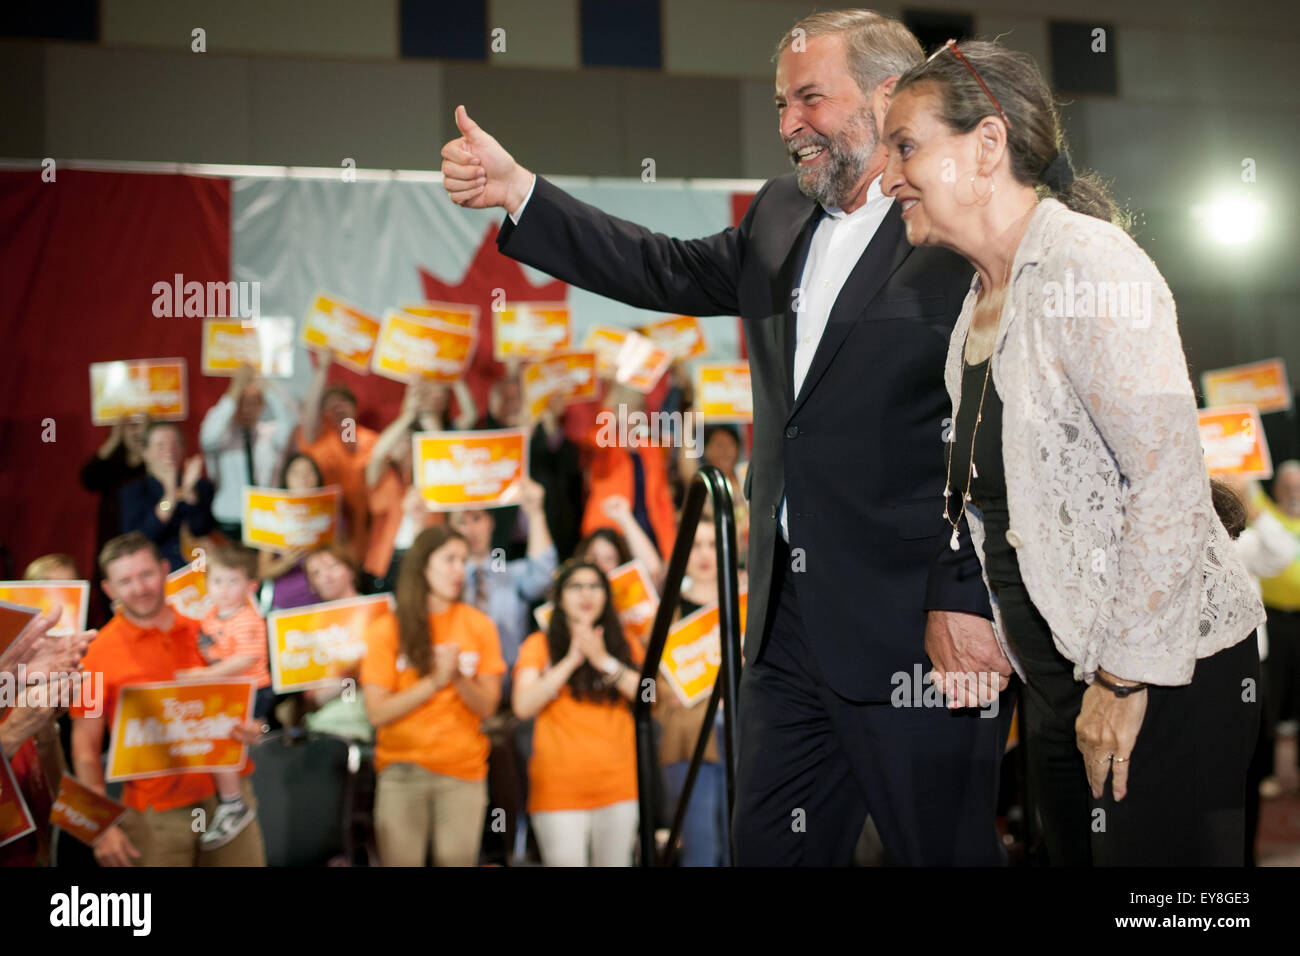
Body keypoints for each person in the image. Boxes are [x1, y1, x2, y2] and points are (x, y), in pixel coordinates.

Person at [441, 8, 1007, 865]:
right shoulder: (779, 212)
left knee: (943, 853)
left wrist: (966, 597)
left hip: (919, 632)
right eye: (781, 105)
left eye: (811, 99)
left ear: (890, 94)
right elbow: (657, 265)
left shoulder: (956, 223)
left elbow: (992, 433)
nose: (789, 127)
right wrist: (521, 190)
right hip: (785, 626)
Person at [880, 38, 1265, 865]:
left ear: (987, 145)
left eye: (905, 146)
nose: (886, 176)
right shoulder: (980, 305)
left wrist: (1125, 680)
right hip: (1064, 685)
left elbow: (1167, 482)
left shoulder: (1088, 264)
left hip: (1164, 677)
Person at [68, 533, 266, 866]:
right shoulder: (95, 656)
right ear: (109, 590)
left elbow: (251, 698)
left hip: (228, 798)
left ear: (163, 571)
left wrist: (257, 728)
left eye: (146, 574)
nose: (139, 588)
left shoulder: (205, 632)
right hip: (155, 814)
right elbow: (84, 745)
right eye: (125, 581)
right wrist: (98, 826)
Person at [361, 526, 505, 866]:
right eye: (449, 559)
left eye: (463, 561)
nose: (459, 570)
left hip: (462, 774)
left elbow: (487, 705)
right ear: (422, 566)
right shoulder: (387, 629)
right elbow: (377, 712)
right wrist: (434, 682)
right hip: (401, 773)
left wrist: (457, 678)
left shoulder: (479, 625)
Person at [512, 561, 643, 865]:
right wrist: (570, 661)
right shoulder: (539, 644)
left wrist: (603, 661)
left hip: (619, 787)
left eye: (595, 586)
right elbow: (522, 705)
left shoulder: (625, 643)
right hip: (558, 791)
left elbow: (648, 696)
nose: (586, 594)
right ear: (559, 597)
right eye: (575, 586)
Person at [173, 544, 273, 850]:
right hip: (226, 689)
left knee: (222, 736)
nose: (225, 589)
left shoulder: (248, 617)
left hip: (252, 689)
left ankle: (233, 802)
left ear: (250, 586)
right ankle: (221, 798)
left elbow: (244, 660)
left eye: (233, 582)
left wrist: (203, 677)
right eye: (218, 581)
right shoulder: (210, 616)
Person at [656, 516, 730, 866]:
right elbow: (652, 687)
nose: (704, 554)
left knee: (741, 847)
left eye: (713, 544)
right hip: (688, 740)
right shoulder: (668, 609)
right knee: (702, 850)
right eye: (696, 545)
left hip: (744, 735)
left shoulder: (746, 603)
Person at [448, 478, 557, 675]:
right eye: (461, 522)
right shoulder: (446, 579)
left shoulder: (505, 571)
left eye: (476, 518)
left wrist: (535, 513)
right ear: (450, 528)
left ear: (491, 522)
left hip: (510, 685)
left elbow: (543, 576)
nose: (470, 530)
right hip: (460, 687)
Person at [199, 363, 297, 542]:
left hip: (268, 520)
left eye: (253, 403)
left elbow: (288, 420)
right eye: (240, 403)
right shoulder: (222, 437)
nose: (245, 409)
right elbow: (209, 436)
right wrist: (234, 390)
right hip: (229, 523)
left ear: (262, 406)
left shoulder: (270, 435)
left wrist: (265, 386)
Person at [298, 351, 380, 564]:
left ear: (354, 408)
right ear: (323, 412)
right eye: (331, 405)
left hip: (366, 538)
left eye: (344, 402)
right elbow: (309, 414)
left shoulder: (369, 440)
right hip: (326, 537)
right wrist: (322, 370)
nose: (338, 407)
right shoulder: (318, 440)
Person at [364, 380, 443, 592]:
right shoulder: (383, 475)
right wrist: (407, 415)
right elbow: (378, 452)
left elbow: (446, 451)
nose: (399, 443)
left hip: (427, 558)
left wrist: (425, 414)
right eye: (396, 438)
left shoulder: (434, 475)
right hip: (387, 562)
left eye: (406, 439)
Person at [295, 543, 374, 742]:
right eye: (316, 573)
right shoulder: (307, 628)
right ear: (311, 583)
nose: (326, 577)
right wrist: (347, 679)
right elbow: (313, 698)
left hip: (375, 715)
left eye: (333, 566)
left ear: (351, 570)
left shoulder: (378, 613)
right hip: (326, 725)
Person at [120, 422, 216, 573]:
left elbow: (201, 529)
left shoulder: (201, 487)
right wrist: (169, 497)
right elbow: (141, 537)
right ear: (145, 452)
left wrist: (189, 492)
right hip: (154, 570)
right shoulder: (134, 491)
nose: (169, 450)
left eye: (175, 444)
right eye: (161, 446)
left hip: (197, 569)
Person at [80, 415, 147, 624]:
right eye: (132, 426)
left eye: (142, 425)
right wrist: (115, 438)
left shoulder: (154, 466)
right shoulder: (111, 466)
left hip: (146, 543)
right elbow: (88, 478)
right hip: (111, 543)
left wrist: (146, 444)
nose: (136, 431)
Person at [259, 453, 328, 611]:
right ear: (286, 479)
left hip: (323, 597)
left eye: (309, 472)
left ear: (317, 478)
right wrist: (287, 561)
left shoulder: (331, 515)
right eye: (296, 473)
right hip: (287, 602)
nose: (303, 478)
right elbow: (262, 572)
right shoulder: (273, 518)